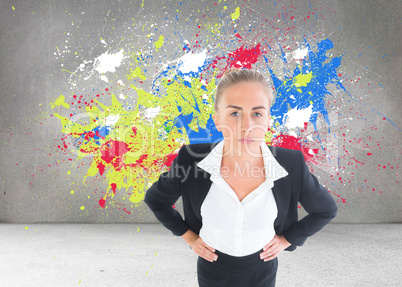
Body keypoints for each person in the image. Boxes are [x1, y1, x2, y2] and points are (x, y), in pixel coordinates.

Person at [144, 68, 338, 286]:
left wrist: (287, 240)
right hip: (212, 271)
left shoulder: (291, 164)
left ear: (268, 119)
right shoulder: (191, 160)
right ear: (217, 120)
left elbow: (325, 210)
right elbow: (156, 200)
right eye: (235, 113)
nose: (247, 126)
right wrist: (189, 237)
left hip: (262, 271)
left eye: (257, 113)